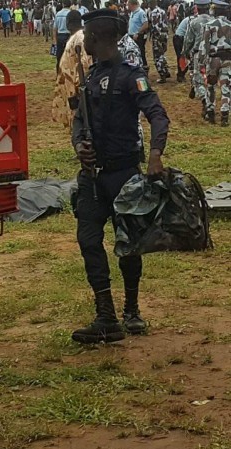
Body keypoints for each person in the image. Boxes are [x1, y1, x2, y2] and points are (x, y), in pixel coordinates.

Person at [71, 8, 169, 343]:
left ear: (96, 37)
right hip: (92, 178)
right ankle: (106, 316)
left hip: (124, 174)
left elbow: (157, 114)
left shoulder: (131, 75)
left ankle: (132, 310)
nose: (82, 40)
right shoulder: (88, 76)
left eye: (85, 35)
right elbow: (79, 121)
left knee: (129, 245)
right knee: (88, 240)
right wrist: (79, 145)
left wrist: (156, 153)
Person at [52, 9, 90, 127]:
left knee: (80, 124)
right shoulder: (75, 37)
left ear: (68, 23)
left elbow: (84, 64)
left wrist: (79, 88)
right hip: (71, 88)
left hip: (77, 90)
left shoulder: (79, 38)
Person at [184, 0, 215, 121]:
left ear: (196, 8)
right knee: (211, 81)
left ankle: (205, 103)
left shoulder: (194, 22)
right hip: (213, 55)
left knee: (198, 81)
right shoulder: (215, 21)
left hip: (198, 54)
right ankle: (211, 105)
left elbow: (188, 40)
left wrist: (185, 52)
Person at [202, 0, 231, 125]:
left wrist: (203, 61)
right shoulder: (230, 25)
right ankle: (224, 114)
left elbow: (205, 45)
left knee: (211, 86)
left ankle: (211, 112)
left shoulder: (209, 24)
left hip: (213, 59)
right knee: (226, 87)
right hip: (227, 59)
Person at [147, 0, 171, 82]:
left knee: (157, 57)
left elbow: (155, 27)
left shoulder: (153, 12)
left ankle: (162, 76)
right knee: (162, 54)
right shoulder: (162, 11)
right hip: (164, 36)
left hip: (157, 37)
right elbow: (166, 25)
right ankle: (166, 72)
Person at [127, 0, 149, 67]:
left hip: (138, 36)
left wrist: (137, 33)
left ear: (133, 5)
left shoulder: (141, 12)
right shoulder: (132, 13)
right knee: (131, 53)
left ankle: (144, 67)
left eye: (128, 5)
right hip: (131, 36)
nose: (128, 7)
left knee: (140, 52)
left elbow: (145, 25)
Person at [174, 12, 192, 82]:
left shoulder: (191, 18)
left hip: (180, 38)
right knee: (182, 57)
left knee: (185, 57)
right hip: (179, 38)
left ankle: (181, 74)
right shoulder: (191, 20)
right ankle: (180, 76)